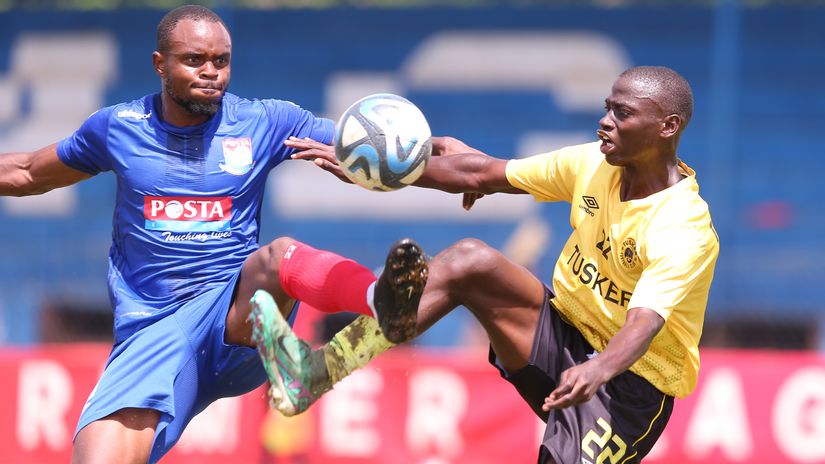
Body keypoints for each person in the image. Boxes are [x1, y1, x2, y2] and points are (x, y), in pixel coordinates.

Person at [0, 5, 428, 463]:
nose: (211, 73)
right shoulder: (117, 127)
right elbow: (27, 172)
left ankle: (378, 297)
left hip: (235, 319)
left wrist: (457, 159)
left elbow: (381, 148)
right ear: (159, 64)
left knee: (278, 257)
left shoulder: (265, 121)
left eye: (221, 61)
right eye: (194, 60)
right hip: (152, 330)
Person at [256, 66, 720, 463]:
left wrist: (598, 370)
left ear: (667, 126)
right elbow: (480, 172)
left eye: (622, 113)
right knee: (470, 260)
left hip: (628, 384)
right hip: (559, 332)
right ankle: (317, 372)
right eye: (606, 108)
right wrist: (376, 167)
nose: (605, 121)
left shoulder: (684, 227)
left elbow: (644, 323)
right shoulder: (591, 164)